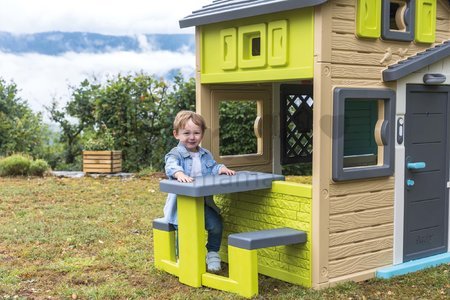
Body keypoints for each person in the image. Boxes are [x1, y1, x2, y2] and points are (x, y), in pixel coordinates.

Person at [163, 110, 235, 272]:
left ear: (202, 134)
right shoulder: (175, 154)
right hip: (183, 204)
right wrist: (179, 173)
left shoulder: (205, 154)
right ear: (176, 134)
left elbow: (212, 167)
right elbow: (171, 165)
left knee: (216, 224)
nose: (192, 137)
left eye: (196, 133)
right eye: (186, 133)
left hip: (203, 202)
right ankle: (183, 258)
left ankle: (213, 253)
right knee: (185, 231)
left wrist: (221, 168)